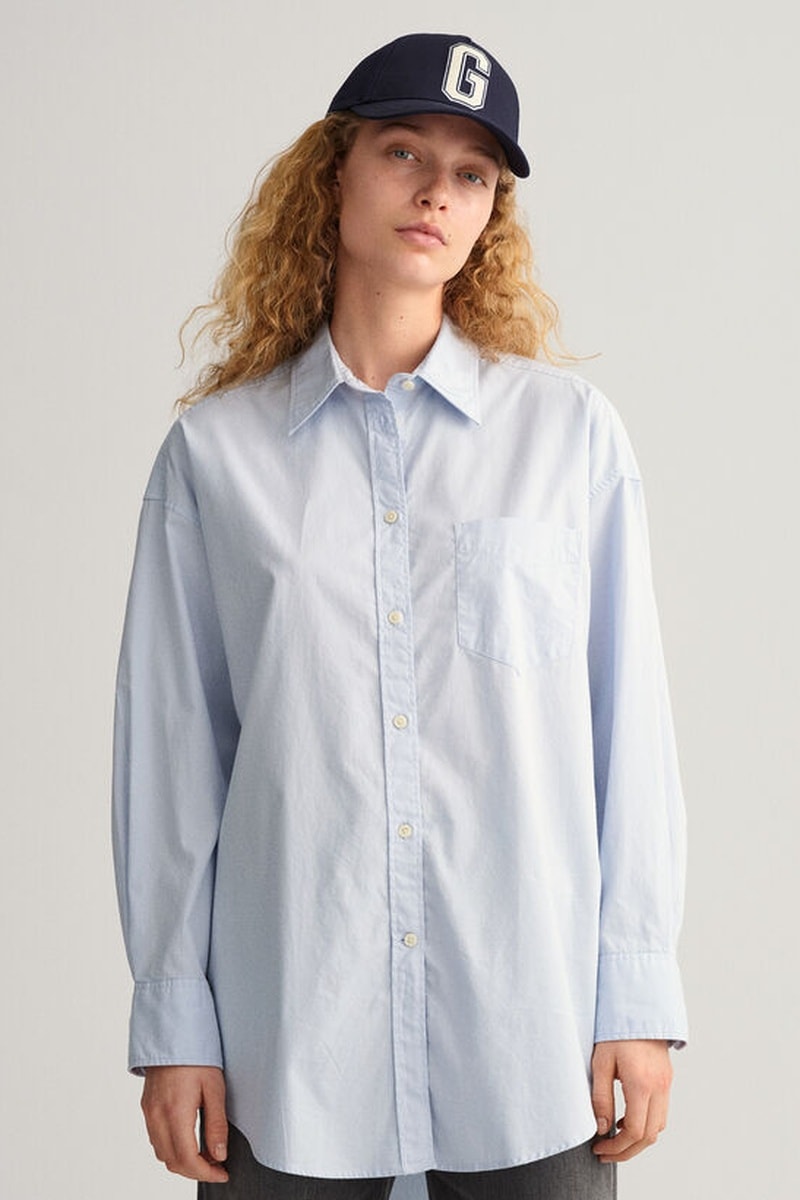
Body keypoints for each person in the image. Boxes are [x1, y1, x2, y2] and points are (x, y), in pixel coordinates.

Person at [112, 31, 687, 1200]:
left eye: (471, 173)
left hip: (529, 1046)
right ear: (332, 174)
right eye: (403, 152)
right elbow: (172, 753)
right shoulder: (215, 458)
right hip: (290, 1053)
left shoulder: (567, 440)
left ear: (489, 216)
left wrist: (633, 992)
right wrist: (174, 1017)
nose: (435, 191)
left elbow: (627, 728)